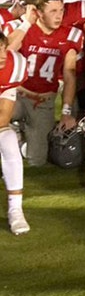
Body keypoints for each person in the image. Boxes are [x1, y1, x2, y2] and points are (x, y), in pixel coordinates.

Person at [6, 0, 82, 166]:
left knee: (37, 160)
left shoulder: (71, 35)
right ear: (39, 12)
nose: (59, 16)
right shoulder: (20, 28)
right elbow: (6, 51)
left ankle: (21, 142)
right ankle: (11, 134)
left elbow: (70, 74)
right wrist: (26, 23)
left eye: (61, 11)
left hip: (43, 101)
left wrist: (66, 113)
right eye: (53, 11)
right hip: (16, 95)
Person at [0, 32, 30, 234]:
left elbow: (3, 116)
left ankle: (15, 208)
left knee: (9, 139)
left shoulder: (14, 65)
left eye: (3, 47)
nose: (3, 54)